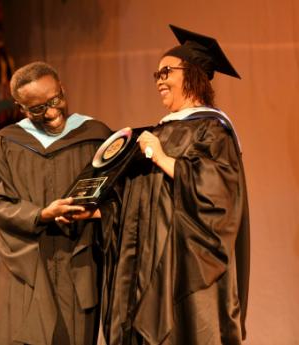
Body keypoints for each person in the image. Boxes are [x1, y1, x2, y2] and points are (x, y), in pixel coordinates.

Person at [99, 25, 250, 345]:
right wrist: (101, 213)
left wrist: (162, 157)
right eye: (156, 74)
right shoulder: (160, 132)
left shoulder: (212, 130)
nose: (160, 81)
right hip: (143, 269)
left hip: (183, 271)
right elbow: (143, 199)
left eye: (166, 71)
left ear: (193, 75)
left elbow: (218, 196)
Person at [0, 61, 112, 345]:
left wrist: (96, 212)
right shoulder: (4, 145)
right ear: (22, 108)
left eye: (56, 100)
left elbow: (121, 198)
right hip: (28, 269)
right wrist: (41, 214)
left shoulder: (95, 137)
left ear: (62, 88)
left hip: (78, 267)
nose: (52, 113)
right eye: (39, 109)